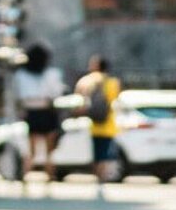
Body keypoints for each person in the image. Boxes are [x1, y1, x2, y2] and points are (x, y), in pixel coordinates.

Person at [12, 44, 66, 188]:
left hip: (31, 111)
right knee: (49, 149)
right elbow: (56, 92)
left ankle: (25, 174)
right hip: (47, 110)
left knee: (31, 149)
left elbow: (17, 96)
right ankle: (49, 176)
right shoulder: (52, 73)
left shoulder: (20, 75)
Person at [74, 55, 120, 198]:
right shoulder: (113, 82)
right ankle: (102, 180)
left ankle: (97, 178)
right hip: (109, 123)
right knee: (105, 154)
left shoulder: (88, 79)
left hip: (94, 123)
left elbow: (79, 93)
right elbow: (114, 99)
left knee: (96, 153)